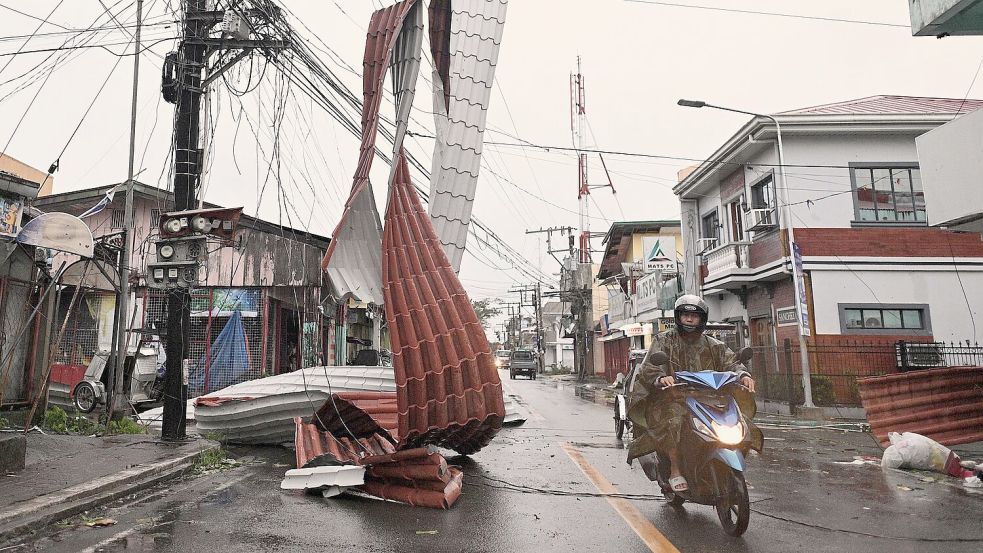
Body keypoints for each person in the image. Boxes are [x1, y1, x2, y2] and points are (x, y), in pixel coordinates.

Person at [626, 294, 758, 493]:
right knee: (673, 420)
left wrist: (743, 375)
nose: (689, 319)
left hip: (710, 399)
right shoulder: (664, 341)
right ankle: (675, 469)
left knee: (740, 423)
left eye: (694, 316)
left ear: (701, 319)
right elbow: (650, 366)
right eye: (685, 315)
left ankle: (731, 468)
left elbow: (733, 362)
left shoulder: (714, 345)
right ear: (678, 317)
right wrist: (661, 378)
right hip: (674, 398)